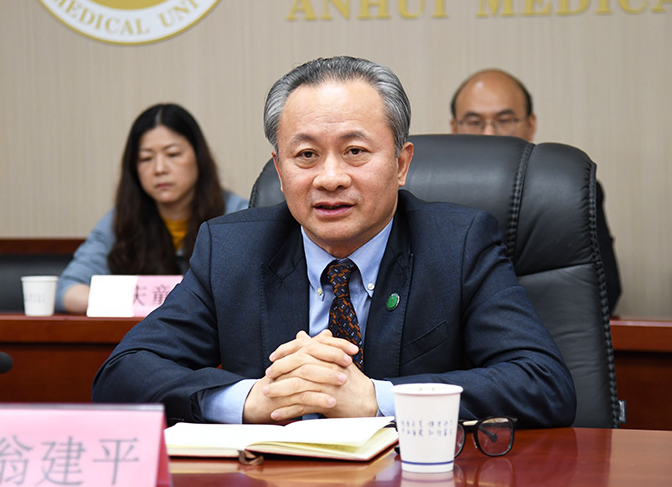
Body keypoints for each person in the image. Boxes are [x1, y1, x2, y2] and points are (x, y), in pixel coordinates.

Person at [93, 57, 576, 428]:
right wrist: (253, 400)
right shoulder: (231, 249)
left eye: (355, 151)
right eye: (306, 155)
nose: (330, 178)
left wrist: (377, 400)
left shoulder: (459, 244)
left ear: (402, 164)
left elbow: (544, 383)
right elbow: (123, 374)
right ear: (279, 169)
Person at [450, 69, 621, 312]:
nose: (489, 134)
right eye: (474, 123)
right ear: (454, 128)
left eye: (504, 121)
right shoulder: (426, 196)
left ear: (530, 126)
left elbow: (604, 292)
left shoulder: (569, 194)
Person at [56, 103, 248, 313]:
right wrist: (139, 301)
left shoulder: (239, 215)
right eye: (146, 158)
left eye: (172, 154)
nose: (159, 169)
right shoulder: (121, 221)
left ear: (198, 157)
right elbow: (67, 291)